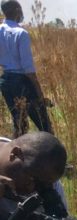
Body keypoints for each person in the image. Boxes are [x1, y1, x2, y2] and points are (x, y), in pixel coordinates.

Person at [0, 1, 51, 137]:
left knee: (19, 124)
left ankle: (16, 154)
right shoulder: (21, 33)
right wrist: (39, 94)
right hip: (22, 81)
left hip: (5, 82)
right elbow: (28, 70)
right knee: (44, 123)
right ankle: (52, 155)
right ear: (17, 10)